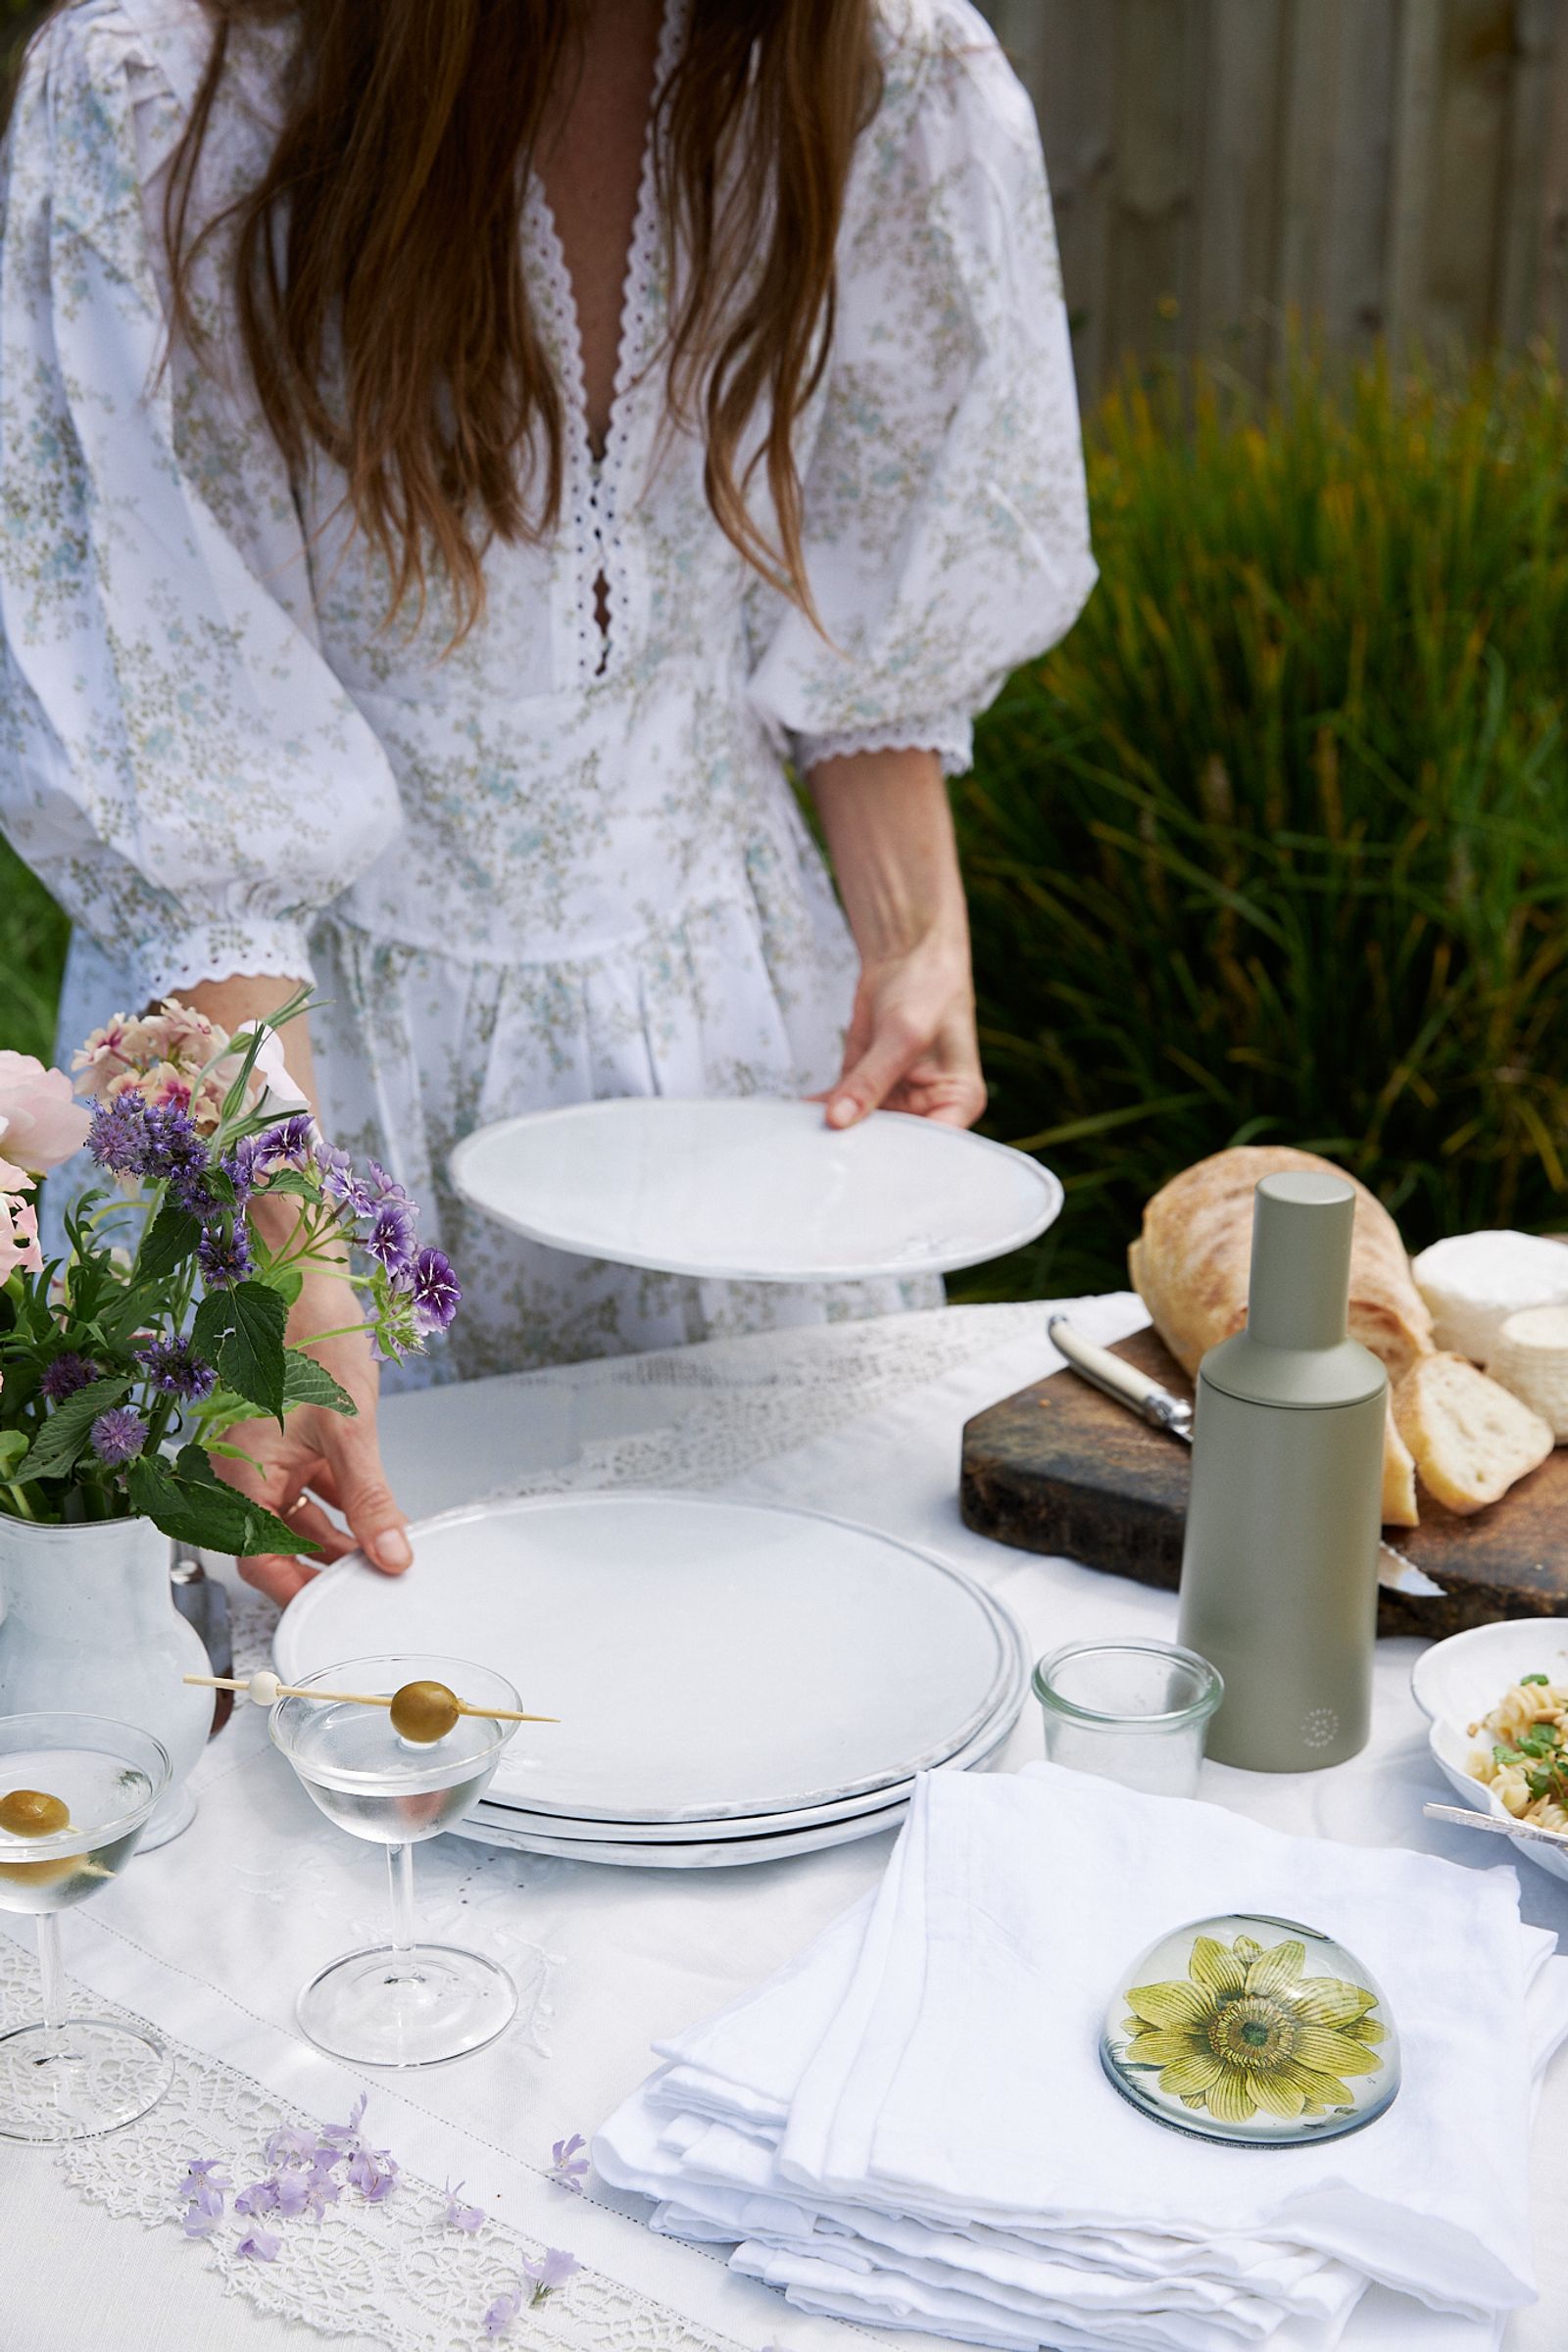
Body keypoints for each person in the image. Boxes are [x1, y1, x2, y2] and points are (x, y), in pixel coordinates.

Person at [0, 0, 1095, 1601]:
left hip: (733, 1064)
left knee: (768, 1663)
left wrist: (915, 937)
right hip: (296, 1076)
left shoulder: (876, 62)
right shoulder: (173, 90)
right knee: (298, 1727)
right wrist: (281, 1250)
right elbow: (186, 746)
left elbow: (872, 585)